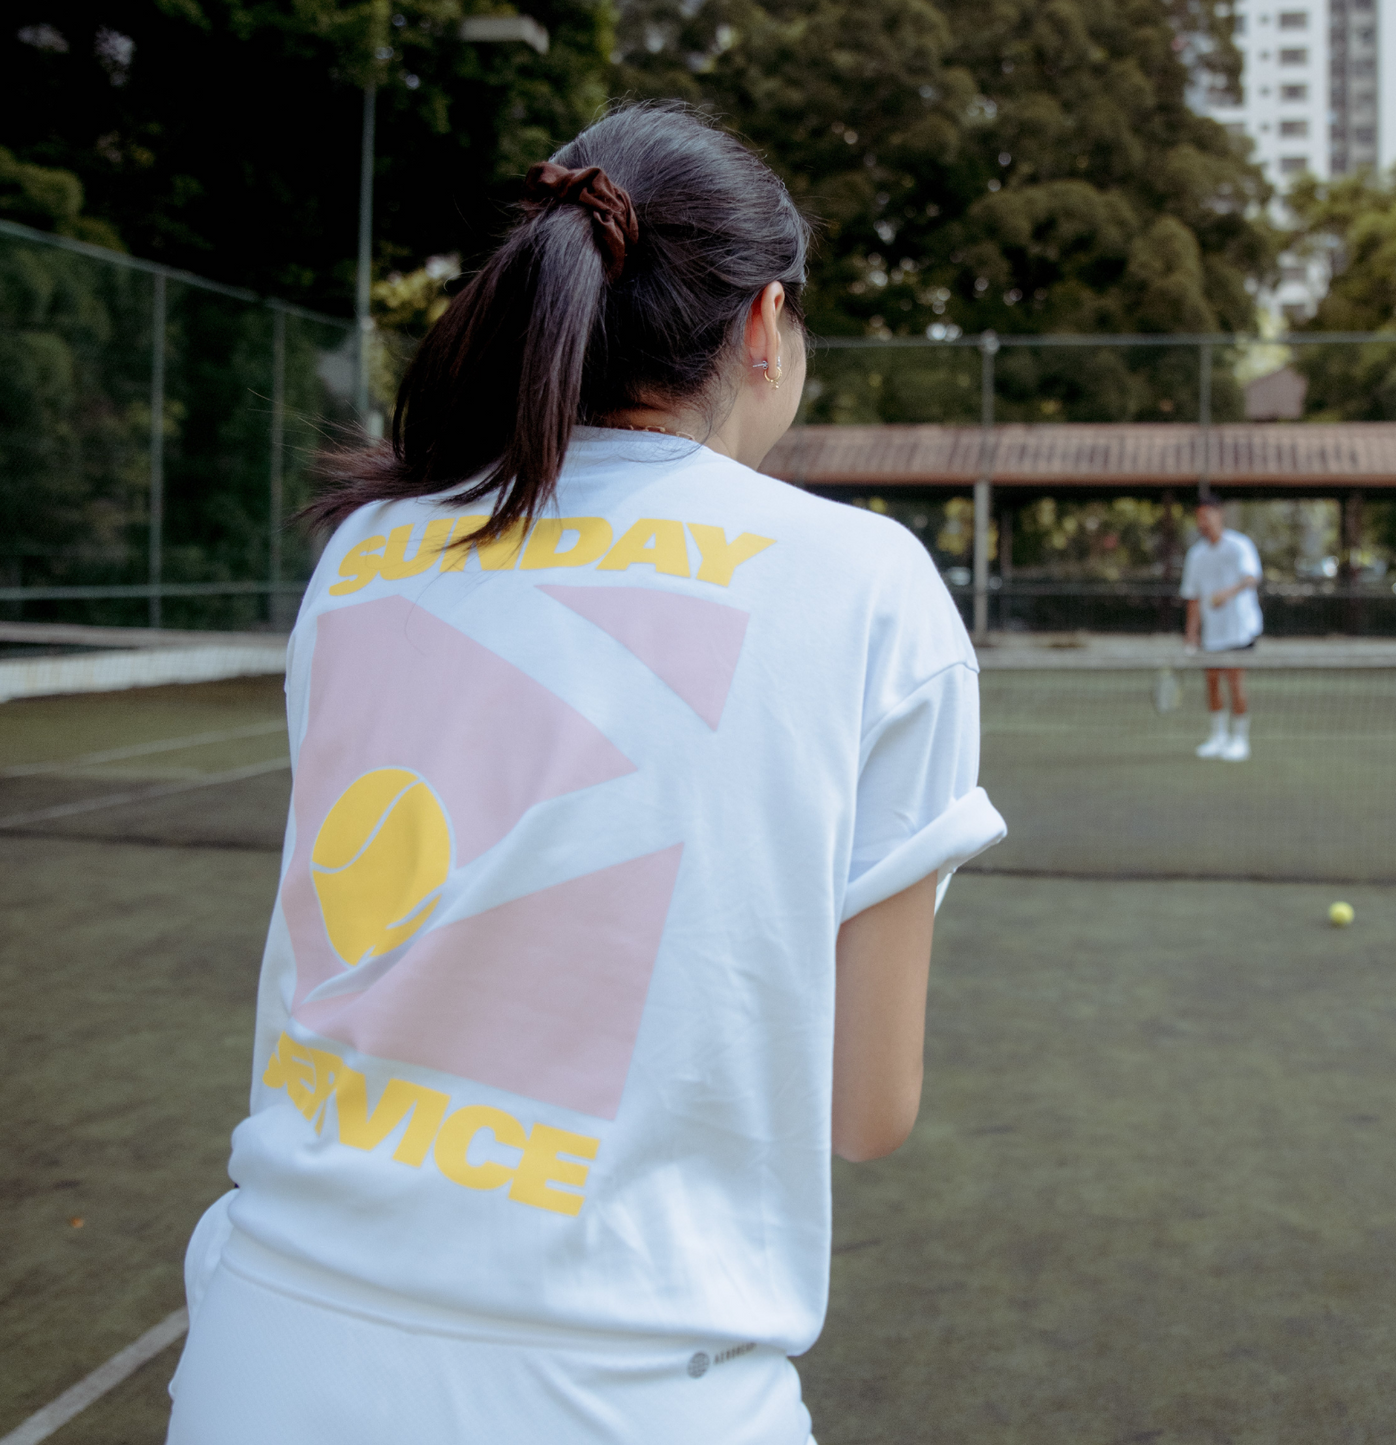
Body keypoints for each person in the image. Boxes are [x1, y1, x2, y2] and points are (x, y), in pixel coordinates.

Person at [165, 103, 1006, 1445]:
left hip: (260, 1361)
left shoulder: (368, 548)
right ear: (761, 327)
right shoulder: (867, 581)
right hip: (624, 1396)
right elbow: (864, 1109)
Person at [1180, 491, 1263, 761]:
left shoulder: (1240, 545)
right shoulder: (1196, 555)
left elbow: (1251, 578)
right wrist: (1191, 635)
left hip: (1239, 628)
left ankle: (1240, 740)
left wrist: (1227, 593)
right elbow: (1193, 598)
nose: (1202, 522)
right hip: (1212, 633)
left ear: (1219, 514)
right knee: (1212, 683)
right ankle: (1218, 737)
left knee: (1235, 681)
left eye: (1206, 515)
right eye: (1198, 518)